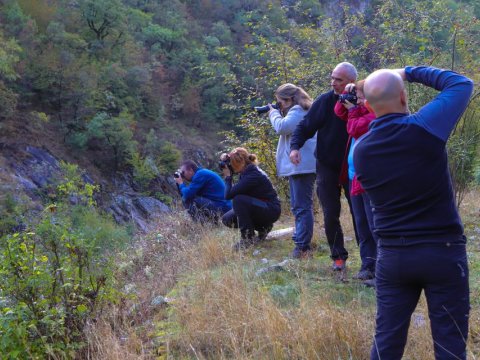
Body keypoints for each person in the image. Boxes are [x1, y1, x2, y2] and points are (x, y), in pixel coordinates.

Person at [354, 66, 473, 359]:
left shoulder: (362, 151)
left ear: (368, 106)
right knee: (450, 343)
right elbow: (461, 84)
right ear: (404, 97)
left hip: (393, 257)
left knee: (387, 343)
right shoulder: (425, 129)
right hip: (442, 253)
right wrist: (407, 71)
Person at [290, 61, 359, 271]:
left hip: (354, 167)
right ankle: (338, 258)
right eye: (332, 78)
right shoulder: (325, 101)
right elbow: (306, 126)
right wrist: (295, 147)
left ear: (351, 82)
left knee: (361, 213)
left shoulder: (362, 101)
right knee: (330, 213)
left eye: (338, 80)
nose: (333, 83)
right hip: (327, 166)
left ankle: (371, 260)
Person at [334, 81, 377, 282]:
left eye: (361, 98)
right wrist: (345, 94)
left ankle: (380, 267)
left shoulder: (374, 115)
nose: (358, 102)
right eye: (357, 98)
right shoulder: (360, 110)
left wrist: (353, 109)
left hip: (368, 178)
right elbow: (339, 112)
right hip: (353, 178)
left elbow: (355, 128)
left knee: (373, 223)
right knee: (361, 224)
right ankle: (367, 265)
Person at [268, 83, 317, 258]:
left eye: (280, 102)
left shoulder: (298, 111)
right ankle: (301, 242)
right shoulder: (302, 109)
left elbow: (281, 127)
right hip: (302, 165)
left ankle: (302, 246)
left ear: (289, 99)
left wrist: (272, 112)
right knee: (300, 206)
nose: (278, 105)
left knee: (302, 206)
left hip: (301, 166)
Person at [221, 147, 281, 251]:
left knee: (239, 200)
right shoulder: (246, 170)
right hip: (261, 206)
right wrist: (225, 158)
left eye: (232, 163)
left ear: (239, 163)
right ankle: (263, 228)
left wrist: (228, 177)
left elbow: (228, 195)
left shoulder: (252, 175)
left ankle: (247, 238)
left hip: (271, 209)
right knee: (227, 219)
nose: (230, 166)